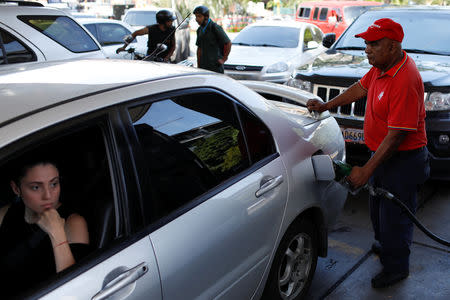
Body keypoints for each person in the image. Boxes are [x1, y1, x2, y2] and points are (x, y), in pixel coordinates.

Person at [306, 18, 429, 288]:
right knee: (378, 210)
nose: (367, 49)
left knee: (395, 216)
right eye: (366, 44)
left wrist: (366, 170)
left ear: (394, 46)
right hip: (382, 156)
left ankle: (396, 267)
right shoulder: (381, 68)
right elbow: (359, 89)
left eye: (374, 44)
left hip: (403, 161)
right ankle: (386, 245)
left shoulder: (405, 79)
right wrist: (325, 105)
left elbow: (396, 137)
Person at [0, 156, 90, 297]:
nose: (48, 196)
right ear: (16, 189)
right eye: (36, 187)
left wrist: (56, 232)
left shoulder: (73, 223)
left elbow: (76, 291)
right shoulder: (5, 214)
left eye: (54, 184)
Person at [193, 6, 231, 73]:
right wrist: (198, 65)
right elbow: (199, 48)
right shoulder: (199, 30)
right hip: (203, 67)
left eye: (199, 16)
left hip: (215, 67)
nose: (197, 19)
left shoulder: (215, 28)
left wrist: (224, 59)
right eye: (196, 17)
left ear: (206, 17)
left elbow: (228, 43)